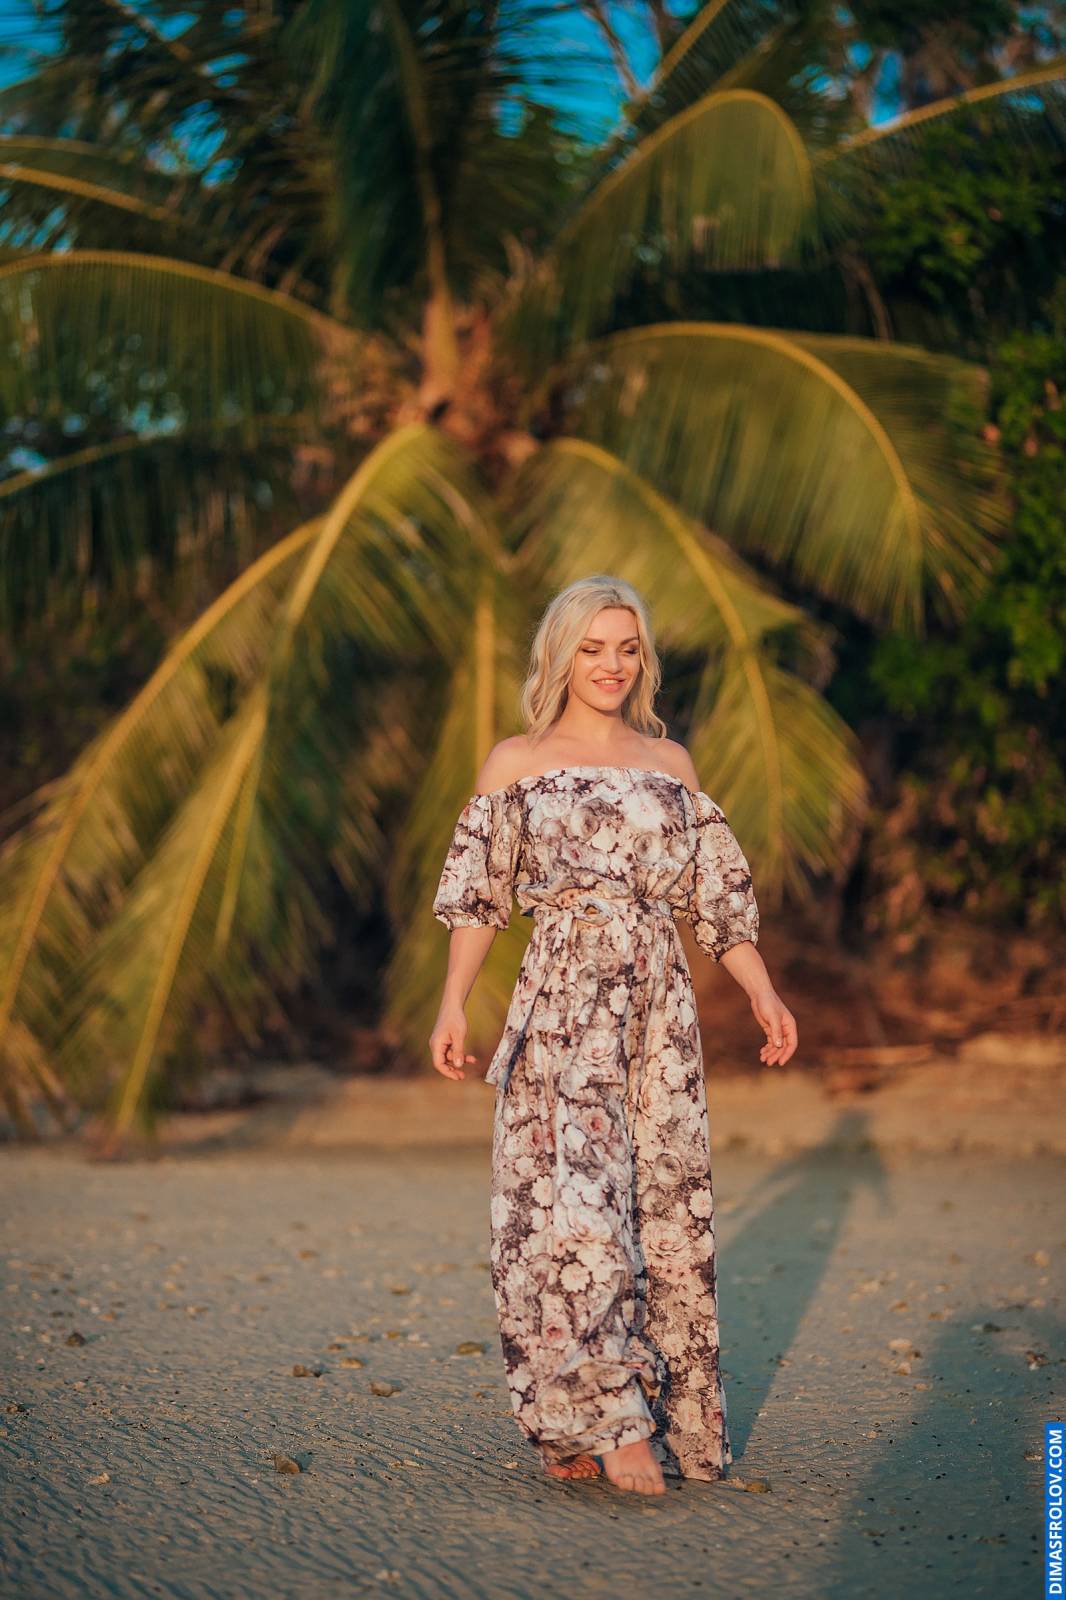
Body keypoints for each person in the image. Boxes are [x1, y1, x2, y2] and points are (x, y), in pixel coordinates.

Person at [428, 576, 798, 1496]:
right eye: (593, 648)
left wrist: (762, 991)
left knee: (661, 1208)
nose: (612, 665)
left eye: (627, 648)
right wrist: (453, 1003)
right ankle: (611, 1421)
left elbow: (714, 899)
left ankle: (611, 1424)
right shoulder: (515, 762)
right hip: (560, 1006)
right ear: (560, 655)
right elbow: (479, 897)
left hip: (657, 1014)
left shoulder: (670, 764)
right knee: (570, 1208)